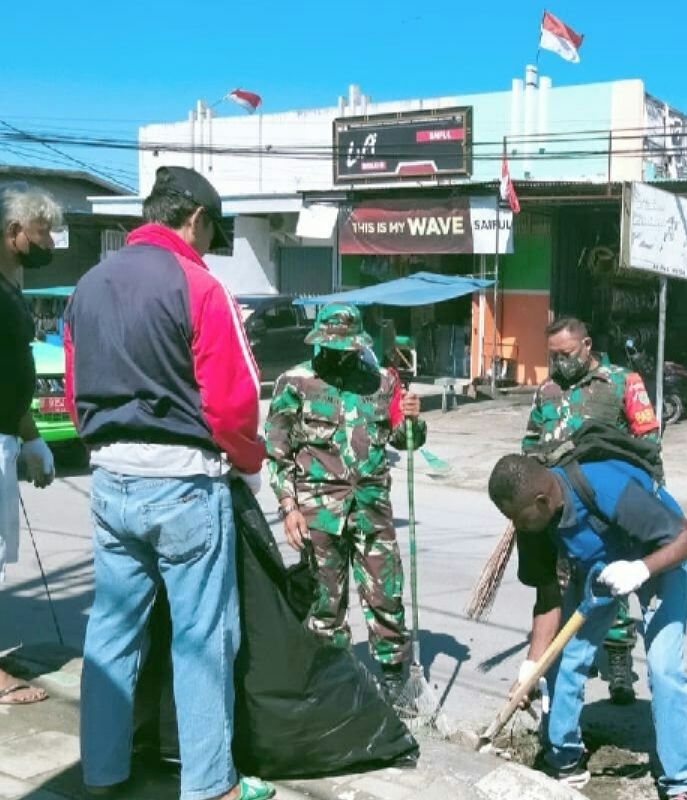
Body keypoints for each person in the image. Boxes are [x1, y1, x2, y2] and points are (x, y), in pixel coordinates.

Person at [66, 166, 274, 800]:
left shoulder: (88, 283)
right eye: (212, 229)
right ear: (196, 219)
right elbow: (233, 403)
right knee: (201, 637)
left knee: (111, 629)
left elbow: (76, 394)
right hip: (184, 483)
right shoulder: (199, 285)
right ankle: (211, 784)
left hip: (109, 479)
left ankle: (101, 772)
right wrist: (249, 461)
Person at [488, 454, 687, 798]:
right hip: (601, 568)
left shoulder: (605, 488)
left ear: (541, 502)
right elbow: (547, 597)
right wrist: (531, 667)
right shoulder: (532, 523)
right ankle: (565, 760)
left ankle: (679, 784)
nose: (515, 526)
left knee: (664, 670)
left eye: (517, 518)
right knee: (566, 660)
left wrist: (640, 570)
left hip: (662, 556)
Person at [264, 303, 423, 703]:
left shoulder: (382, 382)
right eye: (331, 347)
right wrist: (289, 507)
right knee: (324, 604)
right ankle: (331, 686)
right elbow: (277, 453)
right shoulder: (295, 384)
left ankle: (393, 680)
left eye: (346, 348)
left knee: (387, 595)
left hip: (371, 510)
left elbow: (407, 441)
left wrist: (413, 421)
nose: (338, 354)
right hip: (319, 514)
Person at [522, 316, 659, 705]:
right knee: (559, 589)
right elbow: (531, 440)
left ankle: (619, 664)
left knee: (610, 585)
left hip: (605, 505)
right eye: (553, 356)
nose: (560, 363)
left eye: (566, 354)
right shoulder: (547, 391)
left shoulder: (622, 383)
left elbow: (648, 444)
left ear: (587, 345)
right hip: (556, 509)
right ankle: (556, 675)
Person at [0, 183, 60, 706]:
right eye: (42, 230)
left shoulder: (6, 282)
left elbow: (6, 369)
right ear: (13, 231)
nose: (49, 241)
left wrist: (33, 439)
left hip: (1, 435)